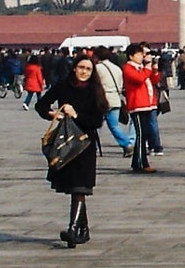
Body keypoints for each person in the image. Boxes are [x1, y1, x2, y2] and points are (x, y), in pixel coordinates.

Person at [35, 54, 109, 247]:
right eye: (81, 67)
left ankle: (74, 229)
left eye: (88, 69)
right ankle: (82, 230)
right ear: (74, 68)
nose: (84, 72)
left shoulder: (95, 91)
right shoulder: (63, 86)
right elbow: (41, 105)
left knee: (80, 188)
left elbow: (96, 121)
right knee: (74, 188)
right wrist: (55, 114)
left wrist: (76, 114)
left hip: (84, 144)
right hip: (66, 142)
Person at [123, 42, 164, 171]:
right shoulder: (129, 68)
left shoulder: (141, 68)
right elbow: (139, 79)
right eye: (140, 54)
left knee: (144, 134)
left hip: (147, 104)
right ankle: (142, 163)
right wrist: (147, 67)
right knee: (141, 134)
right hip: (137, 105)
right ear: (131, 56)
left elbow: (154, 80)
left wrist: (155, 69)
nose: (142, 56)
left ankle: (137, 161)